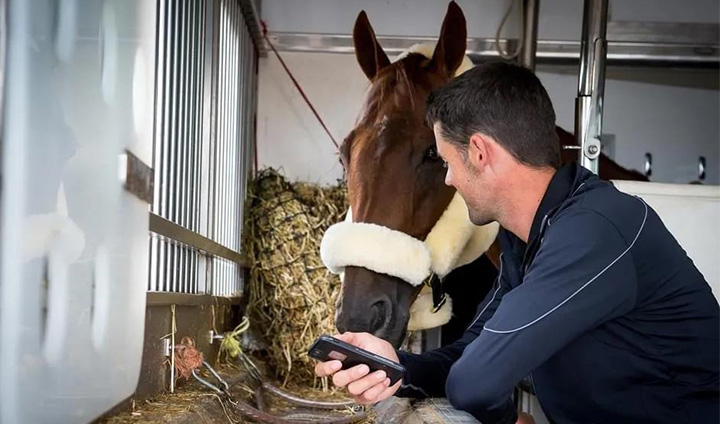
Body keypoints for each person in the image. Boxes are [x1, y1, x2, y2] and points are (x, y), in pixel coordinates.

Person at [314, 62, 720, 424]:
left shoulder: (594, 230)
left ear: (478, 152)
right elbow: (470, 355)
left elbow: (475, 383)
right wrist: (393, 365)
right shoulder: (528, 238)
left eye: (445, 162)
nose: (449, 180)